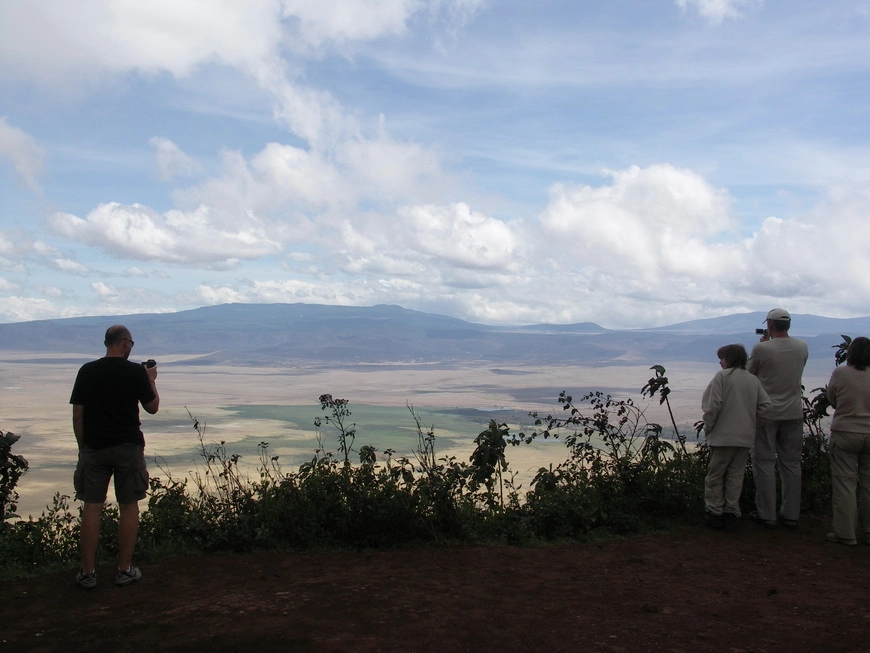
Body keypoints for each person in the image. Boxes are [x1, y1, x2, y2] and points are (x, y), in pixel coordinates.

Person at [70, 325, 159, 589]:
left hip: (94, 448)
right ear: (123, 343)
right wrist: (151, 379)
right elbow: (152, 408)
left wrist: (82, 447)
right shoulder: (135, 372)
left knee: (92, 508)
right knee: (129, 506)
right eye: (131, 342)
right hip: (128, 448)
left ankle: (87, 573)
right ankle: (124, 570)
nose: (131, 346)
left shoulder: (87, 371)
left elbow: (78, 415)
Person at [747, 308, 808, 529]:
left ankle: (767, 514)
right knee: (791, 463)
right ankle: (791, 514)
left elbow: (748, 373)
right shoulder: (802, 347)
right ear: (788, 325)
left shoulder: (761, 349)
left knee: (763, 461)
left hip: (766, 412)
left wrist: (763, 345)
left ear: (770, 326)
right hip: (793, 412)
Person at [702, 344, 772, 530]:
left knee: (715, 475)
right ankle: (732, 512)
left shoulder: (722, 377)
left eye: (722, 358)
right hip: (744, 436)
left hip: (723, 436)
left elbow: (712, 406)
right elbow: (766, 407)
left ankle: (714, 512)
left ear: (729, 359)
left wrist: (709, 427)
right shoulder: (752, 380)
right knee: (735, 475)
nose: (720, 362)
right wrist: (753, 423)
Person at [825, 336, 870, 546]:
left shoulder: (841, 373)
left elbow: (832, 398)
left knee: (845, 482)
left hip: (845, 431)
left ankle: (845, 533)